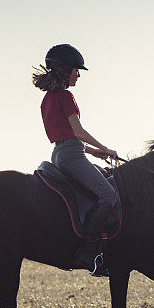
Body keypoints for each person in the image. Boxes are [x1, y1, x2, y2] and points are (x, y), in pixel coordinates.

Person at [33, 44, 119, 274]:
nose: (78, 75)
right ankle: (89, 252)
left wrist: (93, 152)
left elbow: (65, 137)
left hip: (62, 154)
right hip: (72, 156)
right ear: (65, 70)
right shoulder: (65, 96)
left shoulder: (47, 100)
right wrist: (105, 148)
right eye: (76, 70)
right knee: (108, 193)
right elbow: (77, 131)